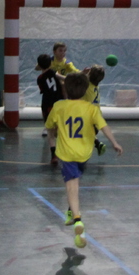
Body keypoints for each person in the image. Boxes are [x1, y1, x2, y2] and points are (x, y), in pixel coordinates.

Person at [45, 72, 123, 249]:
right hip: (84, 154)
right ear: (85, 89)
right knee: (74, 183)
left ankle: (77, 219)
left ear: (65, 88)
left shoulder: (59, 106)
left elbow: (49, 126)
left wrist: (52, 134)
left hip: (66, 153)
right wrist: (114, 142)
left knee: (72, 186)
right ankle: (71, 214)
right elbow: (104, 127)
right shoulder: (91, 108)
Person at [36, 53, 65, 164]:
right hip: (59, 103)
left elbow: (43, 90)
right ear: (50, 63)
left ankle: (54, 156)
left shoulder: (40, 78)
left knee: (50, 132)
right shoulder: (54, 73)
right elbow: (63, 82)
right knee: (61, 129)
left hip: (47, 104)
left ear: (39, 65)